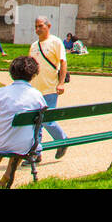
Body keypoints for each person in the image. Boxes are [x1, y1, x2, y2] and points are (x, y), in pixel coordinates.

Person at [0, 56, 47, 188]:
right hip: (24, 144)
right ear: (33, 75)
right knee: (20, 139)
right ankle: (7, 176)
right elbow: (42, 118)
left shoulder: (2, 93)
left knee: (1, 139)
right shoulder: (36, 95)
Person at [28, 16, 68, 158]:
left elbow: (63, 63)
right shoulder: (33, 46)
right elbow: (30, 67)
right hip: (34, 89)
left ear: (48, 26)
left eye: (40, 26)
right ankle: (35, 153)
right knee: (35, 122)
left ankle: (62, 140)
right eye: (36, 26)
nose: (38, 29)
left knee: (47, 120)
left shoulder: (56, 42)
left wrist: (61, 83)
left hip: (50, 88)